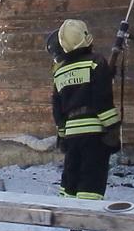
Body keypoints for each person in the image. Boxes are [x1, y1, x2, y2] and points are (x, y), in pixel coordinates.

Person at [48, 19, 118, 200]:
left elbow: (58, 110)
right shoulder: (95, 63)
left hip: (72, 135)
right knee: (91, 180)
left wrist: (62, 136)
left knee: (71, 177)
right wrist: (113, 128)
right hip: (94, 134)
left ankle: (69, 219)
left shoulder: (59, 72)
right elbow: (101, 100)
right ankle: (87, 221)